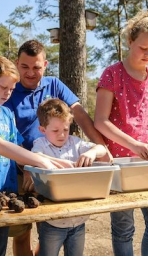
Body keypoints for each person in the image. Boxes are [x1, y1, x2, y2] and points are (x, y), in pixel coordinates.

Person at [3, 39, 111, 256]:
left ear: (45, 64)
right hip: (20, 168)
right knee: (22, 229)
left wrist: (101, 147)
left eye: (36, 67)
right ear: (17, 64)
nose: (30, 72)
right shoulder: (9, 91)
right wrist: (27, 168)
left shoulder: (54, 85)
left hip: (53, 171)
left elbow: (79, 115)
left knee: (51, 224)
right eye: (24, 66)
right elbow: (6, 136)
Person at [0, 56, 67, 256]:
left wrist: (59, 162)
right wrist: (42, 160)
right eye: (3, 87)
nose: (7, 93)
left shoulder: (7, 114)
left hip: (3, 198)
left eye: (11, 89)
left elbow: (18, 151)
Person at [94, 9, 148, 256]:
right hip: (118, 164)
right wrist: (134, 145)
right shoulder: (112, 74)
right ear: (130, 41)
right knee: (123, 229)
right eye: (143, 48)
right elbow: (100, 122)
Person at [33, 98, 108, 256]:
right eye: (55, 130)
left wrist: (92, 152)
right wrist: (63, 163)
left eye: (66, 129)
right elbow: (35, 158)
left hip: (79, 219)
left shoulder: (75, 143)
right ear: (42, 129)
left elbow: (103, 150)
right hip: (53, 221)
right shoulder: (40, 145)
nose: (61, 135)